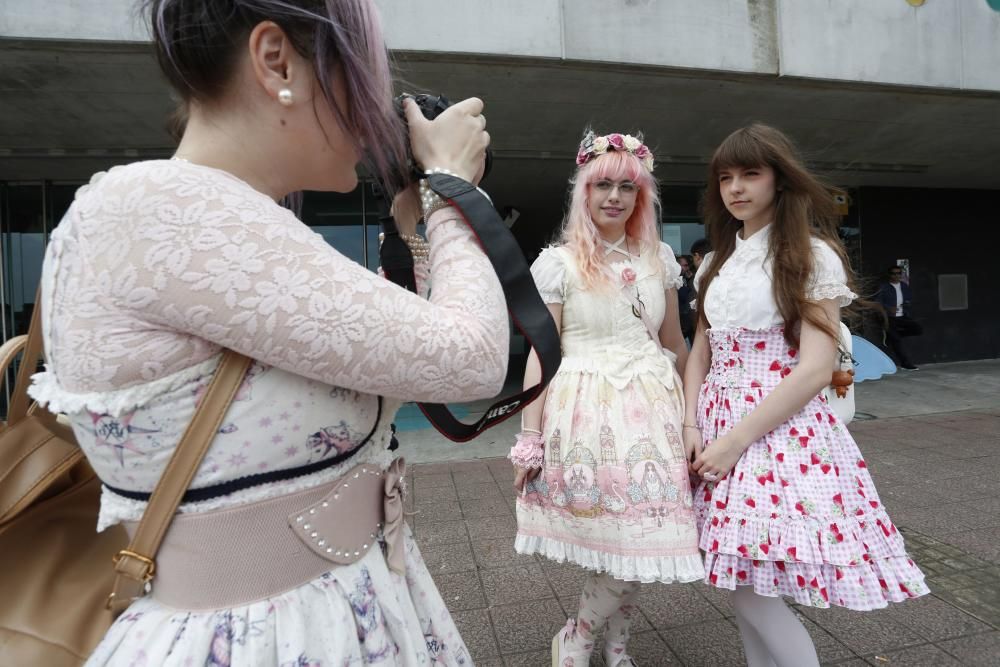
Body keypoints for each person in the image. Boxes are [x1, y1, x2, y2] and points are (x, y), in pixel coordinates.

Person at [28, 1, 507, 664]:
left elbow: (420, 348)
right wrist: (452, 191)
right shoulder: (161, 210)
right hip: (263, 636)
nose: (373, 116)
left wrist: (417, 226)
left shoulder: (222, 221)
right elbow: (472, 356)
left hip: (322, 611)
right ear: (276, 59)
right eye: (363, 79)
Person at [684, 124, 928, 667]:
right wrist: (692, 426)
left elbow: (817, 368)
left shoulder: (811, 255)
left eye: (751, 173)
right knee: (739, 579)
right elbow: (700, 351)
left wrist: (732, 442)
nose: (735, 188)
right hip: (715, 422)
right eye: (725, 177)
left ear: (779, 179)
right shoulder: (715, 261)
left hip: (775, 429)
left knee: (751, 586)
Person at [509, 130, 703, 666]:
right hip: (586, 411)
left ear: (641, 196)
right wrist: (529, 436)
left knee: (641, 545)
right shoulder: (559, 262)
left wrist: (695, 416)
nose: (614, 197)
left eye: (626, 186)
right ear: (584, 193)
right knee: (619, 542)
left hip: (655, 411)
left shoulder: (658, 257)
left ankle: (607, 644)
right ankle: (584, 640)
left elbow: (675, 343)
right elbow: (540, 355)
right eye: (602, 186)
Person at [877, 265, 922, 370]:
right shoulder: (884, 287)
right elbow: (877, 302)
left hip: (903, 316)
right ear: (889, 275)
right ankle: (905, 364)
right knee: (897, 342)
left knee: (918, 329)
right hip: (890, 318)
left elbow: (909, 299)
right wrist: (888, 308)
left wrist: (906, 303)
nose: (896, 275)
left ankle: (892, 336)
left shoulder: (904, 286)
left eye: (899, 273)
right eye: (894, 273)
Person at [676, 254, 695, 342]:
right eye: (685, 265)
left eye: (688, 266)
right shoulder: (674, 280)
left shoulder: (684, 278)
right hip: (681, 321)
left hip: (688, 320)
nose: (687, 269)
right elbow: (683, 296)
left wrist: (689, 280)